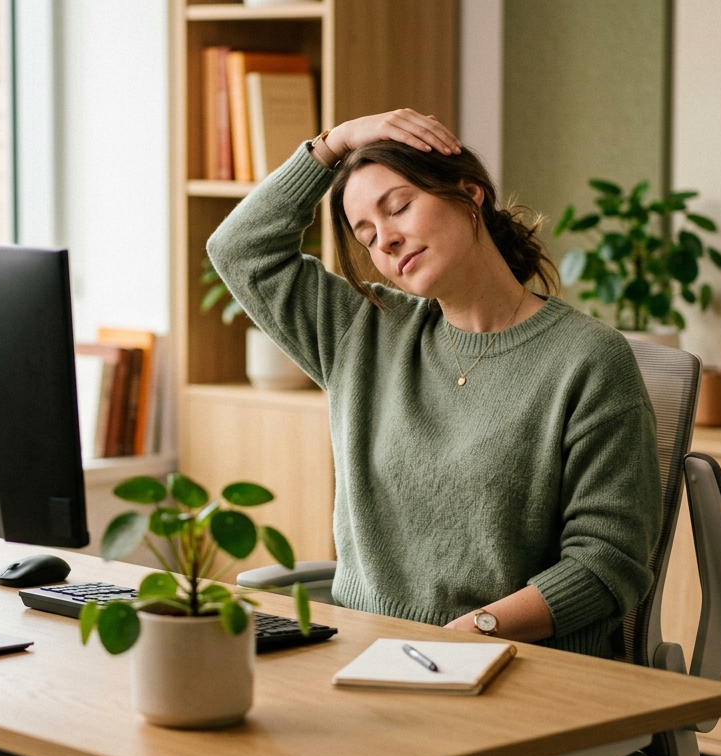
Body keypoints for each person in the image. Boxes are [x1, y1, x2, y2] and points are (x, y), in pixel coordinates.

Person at [206, 109, 661, 659]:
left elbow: (607, 562)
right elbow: (239, 250)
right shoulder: (363, 331)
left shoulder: (588, 360)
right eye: (367, 235)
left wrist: (472, 633)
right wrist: (337, 141)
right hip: (363, 649)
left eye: (398, 208)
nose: (387, 242)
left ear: (470, 196)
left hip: (518, 661)